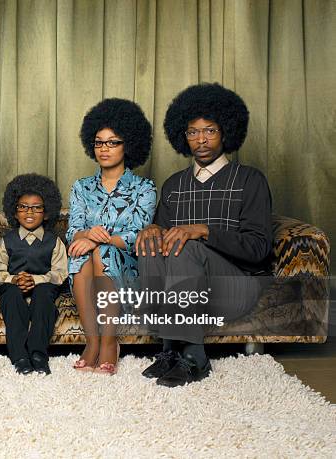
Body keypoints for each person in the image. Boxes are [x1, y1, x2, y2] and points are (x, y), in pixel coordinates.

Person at [135, 83, 272, 387]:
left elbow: (259, 247)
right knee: (153, 245)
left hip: (236, 288)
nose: (201, 140)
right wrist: (152, 230)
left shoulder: (250, 180)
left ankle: (195, 357)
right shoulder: (173, 185)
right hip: (186, 292)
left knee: (185, 246)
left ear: (225, 132)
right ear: (182, 137)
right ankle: (170, 350)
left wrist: (205, 232)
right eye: (193, 132)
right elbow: (161, 239)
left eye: (209, 131)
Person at [67, 98, 157, 375]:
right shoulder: (81, 188)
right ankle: (92, 342)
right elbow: (73, 231)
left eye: (113, 142)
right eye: (99, 142)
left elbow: (136, 236)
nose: (104, 149)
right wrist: (86, 236)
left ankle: (109, 342)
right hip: (86, 269)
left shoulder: (144, 188)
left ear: (128, 144)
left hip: (128, 271)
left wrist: (96, 239)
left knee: (99, 250)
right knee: (81, 253)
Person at [0, 174, 67, 375]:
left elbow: (60, 273)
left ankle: (38, 354)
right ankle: (19, 356)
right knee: (12, 297)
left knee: (43, 297)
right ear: (14, 213)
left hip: (44, 285)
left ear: (47, 212)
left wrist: (36, 280)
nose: (29, 212)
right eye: (23, 207)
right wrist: (14, 279)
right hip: (13, 285)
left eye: (36, 207)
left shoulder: (54, 241)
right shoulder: (7, 241)